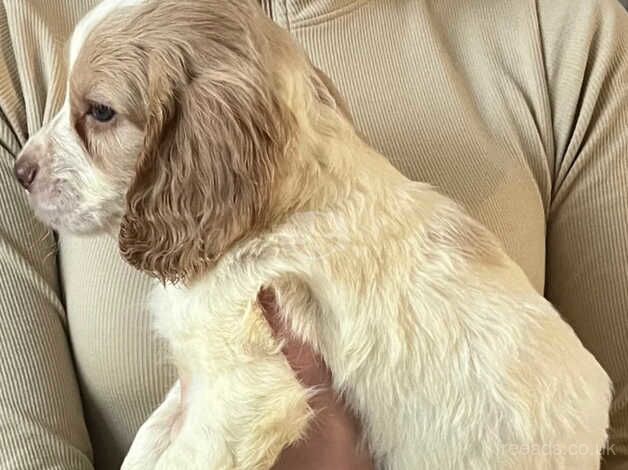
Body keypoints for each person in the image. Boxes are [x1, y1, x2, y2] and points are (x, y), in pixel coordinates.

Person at [0, 0, 626, 468]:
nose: (34, 157)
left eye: (98, 114)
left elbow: (246, 412)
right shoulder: (25, 28)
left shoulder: (567, 32)